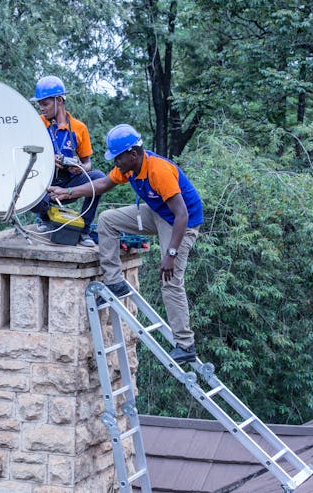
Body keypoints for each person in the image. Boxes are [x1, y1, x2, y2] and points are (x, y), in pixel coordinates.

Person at [48, 124, 203, 363]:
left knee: (170, 282)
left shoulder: (158, 171)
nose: (116, 163)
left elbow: (181, 214)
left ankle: (185, 344)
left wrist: (170, 254)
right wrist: (68, 193)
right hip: (158, 212)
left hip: (182, 224)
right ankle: (114, 282)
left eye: (118, 157)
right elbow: (101, 185)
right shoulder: (130, 169)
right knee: (108, 220)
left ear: (133, 154)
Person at [29, 75, 105, 247]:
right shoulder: (36, 123)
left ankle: (84, 229)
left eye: (45, 104)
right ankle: (44, 217)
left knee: (99, 177)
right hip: (44, 185)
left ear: (59, 101)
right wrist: (46, 160)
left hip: (68, 184)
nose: (41, 108)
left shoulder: (79, 128)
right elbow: (26, 155)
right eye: (39, 104)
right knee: (30, 192)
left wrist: (79, 168)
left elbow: (88, 163)